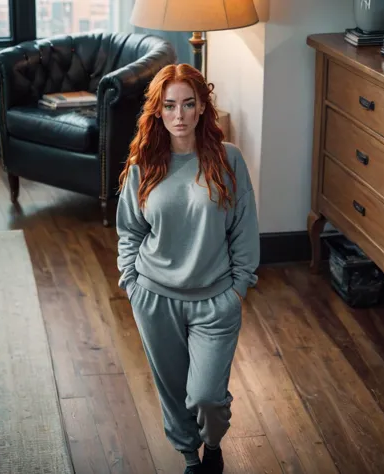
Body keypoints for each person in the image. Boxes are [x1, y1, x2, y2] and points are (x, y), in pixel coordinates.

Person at [116, 63, 260, 474]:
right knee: (173, 391)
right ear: (158, 112)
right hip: (155, 298)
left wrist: (238, 289)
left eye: (188, 104)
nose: (178, 115)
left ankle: (212, 444)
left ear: (201, 109)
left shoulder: (228, 160)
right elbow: (129, 228)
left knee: (206, 396)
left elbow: (245, 229)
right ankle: (188, 458)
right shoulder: (145, 163)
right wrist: (131, 282)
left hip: (215, 300)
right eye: (169, 106)